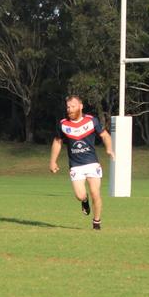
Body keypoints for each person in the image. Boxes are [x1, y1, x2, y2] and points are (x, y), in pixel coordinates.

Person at [49, 95, 114, 230]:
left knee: (95, 192)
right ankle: (84, 201)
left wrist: (109, 149)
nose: (70, 109)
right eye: (68, 107)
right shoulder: (63, 124)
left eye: (73, 106)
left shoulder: (91, 121)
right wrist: (53, 161)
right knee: (80, 195)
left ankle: (96, 222)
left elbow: (105, 136)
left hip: (92, 163)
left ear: (80, 106)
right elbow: (57, 141)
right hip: (76, 166)